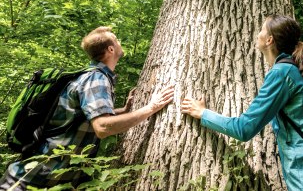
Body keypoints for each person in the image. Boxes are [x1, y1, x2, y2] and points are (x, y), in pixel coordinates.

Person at [0, 26, 174, 190]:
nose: (119, 43)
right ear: (111, 49)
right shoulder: (96, 79)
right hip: (30, 180)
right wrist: (152, 107)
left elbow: (84, 118)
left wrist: (125, 110)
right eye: (116, 40)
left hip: (46, 178)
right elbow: (103, 127)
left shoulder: (89, 77)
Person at [181, 14, 303, 191]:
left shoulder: (282, 73)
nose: (258, 33)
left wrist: (203, 113)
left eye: (262, 29)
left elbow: (244, 128)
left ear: (269, 40)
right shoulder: (297, 70)